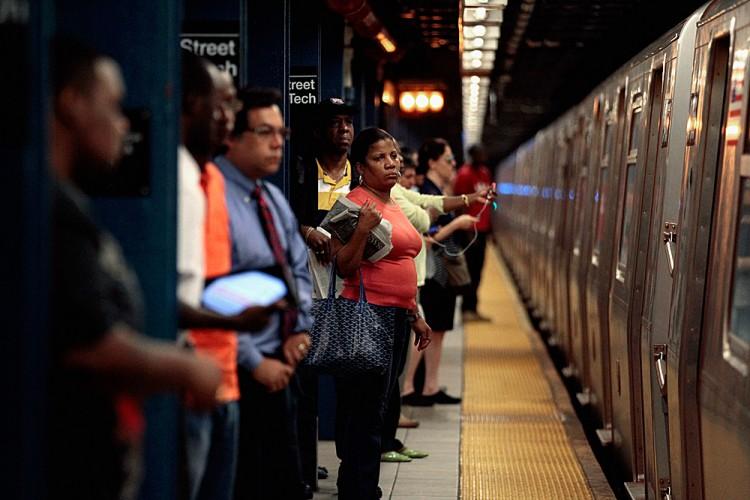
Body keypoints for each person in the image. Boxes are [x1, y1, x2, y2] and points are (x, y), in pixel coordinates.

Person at [48, 37, 222, 500]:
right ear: (71, 103)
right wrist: (186, 371)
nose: (125, 123)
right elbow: (89, 341)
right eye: (114, 106)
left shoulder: (73, 204)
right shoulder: (54, 212)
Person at [177, 56, 277, 500]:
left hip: (224, 375)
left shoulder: (210, 181)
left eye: (232, 106)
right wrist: (241, 326)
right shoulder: (176, 180)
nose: (227, 117)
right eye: (220, 104)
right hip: (188, 375)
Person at [216, 87, 313, 500]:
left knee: (285, 480)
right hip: (238, 372)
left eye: (282, 133)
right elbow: (211, 293)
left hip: (283, 362)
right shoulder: (214, 195)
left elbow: (297, 269)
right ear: (232, 138)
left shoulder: (271, 198)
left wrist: (300, 329)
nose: (278, 143)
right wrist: (254, 362)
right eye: (264, 132)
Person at [329, 128, 432, 499]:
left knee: (379, 406)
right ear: (360, 166)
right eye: (379, 158)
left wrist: (413, 313)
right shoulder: (354, 205)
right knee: (365, 411)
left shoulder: (391, 203)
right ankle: (358, 490)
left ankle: (360, 486)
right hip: (364, 318)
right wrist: (361, 232)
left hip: (395, 318)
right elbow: (343, 265)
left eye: (393, 156)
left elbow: (401, 266)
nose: (391, 164)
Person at [402, 138, 467, 407]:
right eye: (449, 159)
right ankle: (411, 387)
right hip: (432, 271)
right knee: (431, 326)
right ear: (432, 162)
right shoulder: (426, 192)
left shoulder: (436, 189)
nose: (453, 165)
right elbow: (427, 233)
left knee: (439, 327)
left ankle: (429, 386)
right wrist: (459, 223)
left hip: (439, 271)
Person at [454, 144, 494, 322]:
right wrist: (466, 230)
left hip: (482, 228)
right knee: (469, 271)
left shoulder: (485, 173)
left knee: (478, 270)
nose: (483, 156)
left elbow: (488, 200)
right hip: (470, 230)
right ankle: (466, 309)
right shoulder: (464, 174)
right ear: (472, 155)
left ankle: (473, 308)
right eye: (480, 153)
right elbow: (460, 202)